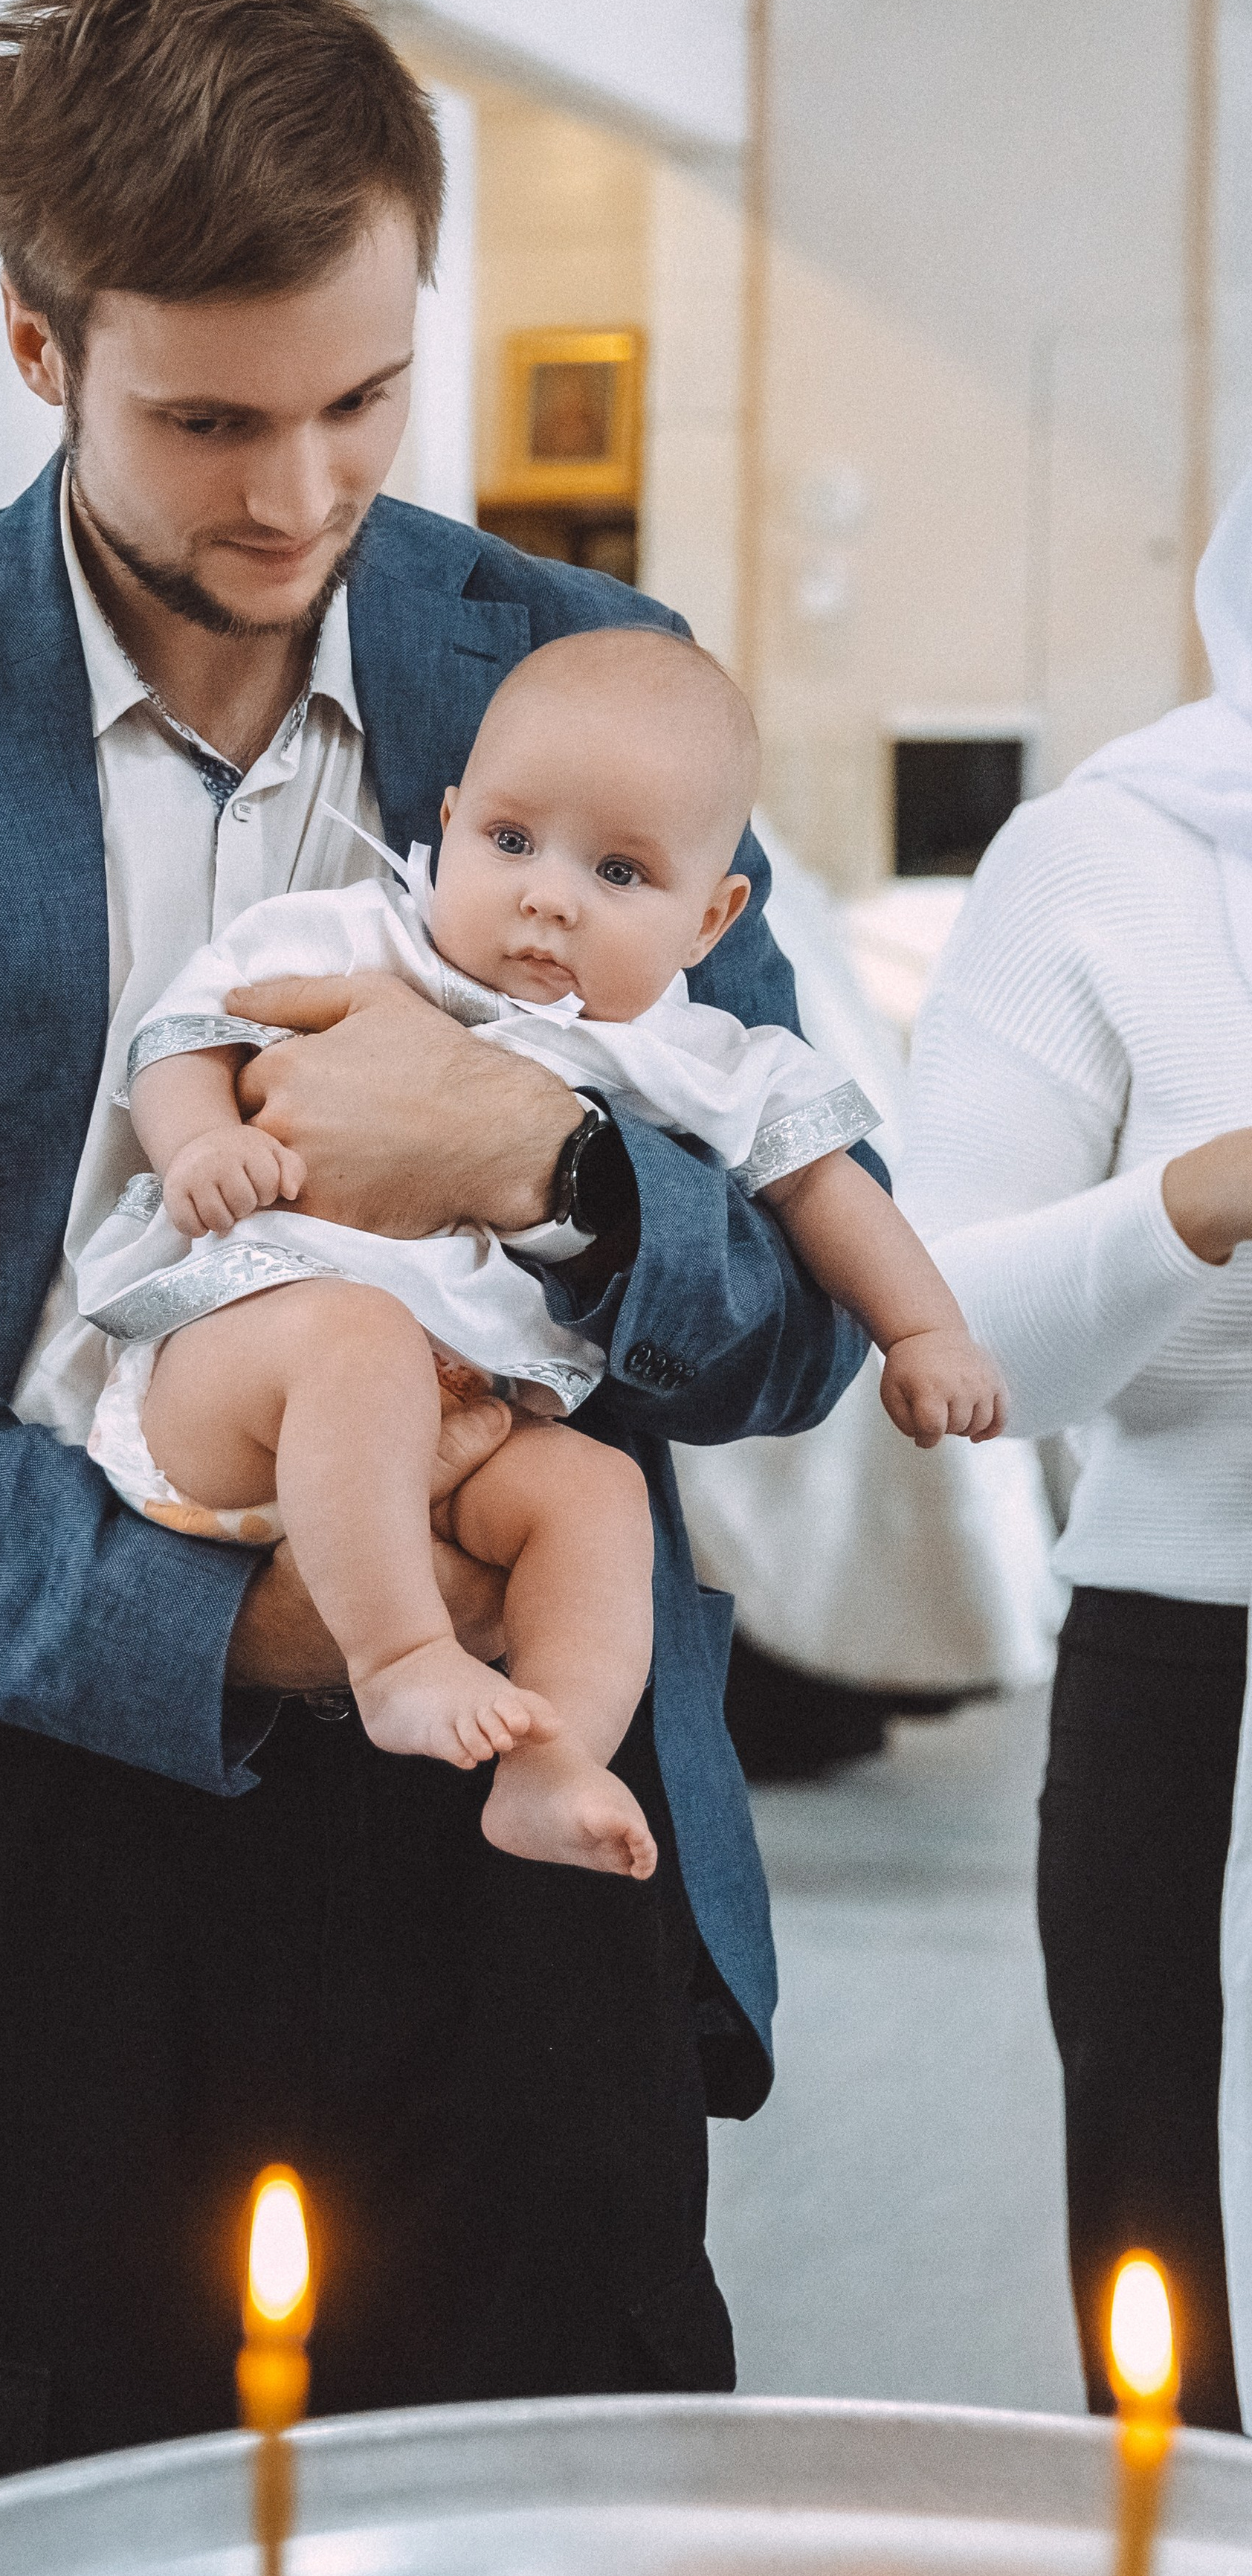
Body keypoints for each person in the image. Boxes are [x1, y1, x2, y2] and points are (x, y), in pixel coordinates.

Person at [0, 0, 882, 2491]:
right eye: (206, 418)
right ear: (32, 338)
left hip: (534, 1776)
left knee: (581, 2496)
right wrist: (248, 1622)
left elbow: (798, 1324)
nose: (299, 496)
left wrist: (537, 1166)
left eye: (362, 400)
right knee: (78, 2496)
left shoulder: (595, 686)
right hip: (42, 1783)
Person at [69, 628, 1003, 1875]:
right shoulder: (363, 936)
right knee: (356, 1342)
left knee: (594, 1495)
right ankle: (403, 1661)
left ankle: (554, 1764)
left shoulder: (703, 1058)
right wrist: (196, 1150)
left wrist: (922, 1329)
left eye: (619, 872)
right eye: (509, 843)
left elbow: (829, 1191)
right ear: (449, 824)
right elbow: (183, 1036)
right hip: (243, 1385)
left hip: (460, 1442)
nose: (547, 895)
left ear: (710, 917)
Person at [905, 466, 1252, 2432]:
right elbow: (953, 1337)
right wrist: (1196, 1202)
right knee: (1170, 2347)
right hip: (1188, 1648)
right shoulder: (1109, 856)